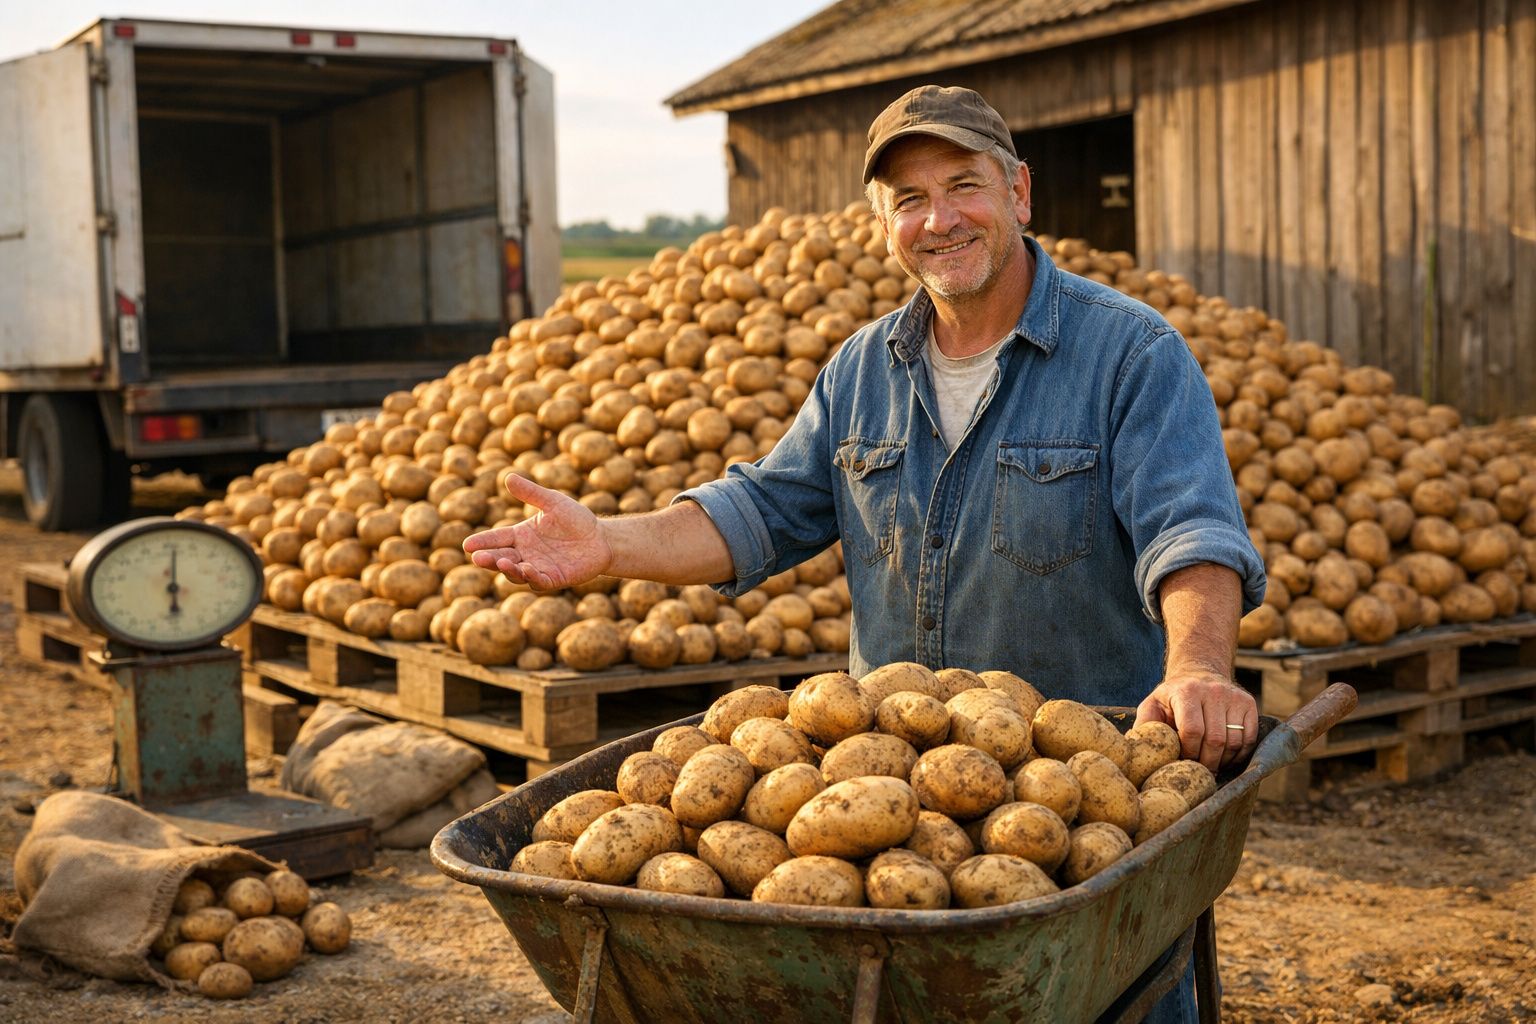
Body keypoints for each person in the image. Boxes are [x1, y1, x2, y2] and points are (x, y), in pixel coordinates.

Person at [466, 85, 1264, 1021]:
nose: (939, 220)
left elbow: (1192, 530)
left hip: (1078, 810)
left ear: (1019, 192)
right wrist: (607, 546)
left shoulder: (1131, 353)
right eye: (909, 201)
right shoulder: (861, 369)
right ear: (884, 223)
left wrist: (1200, 666)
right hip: (885, 801)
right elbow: (762, 509)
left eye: (962, 186)